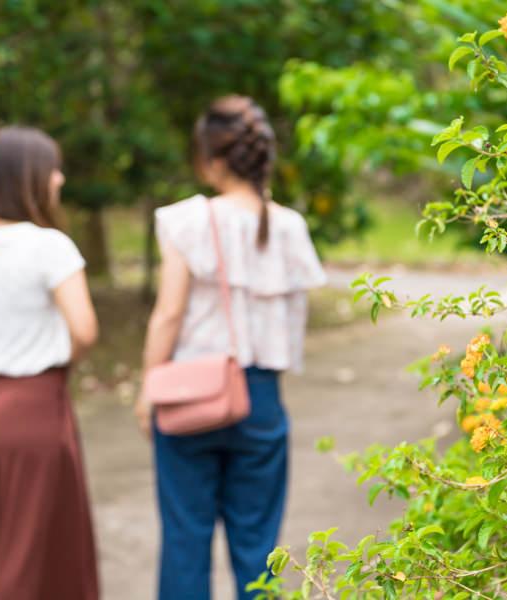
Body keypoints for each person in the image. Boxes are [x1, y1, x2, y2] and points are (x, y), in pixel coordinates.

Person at [135, 96, 327, 599]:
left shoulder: (188, 220)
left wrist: (147, 389)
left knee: (184, 540)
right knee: (258, 550)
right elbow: (293, 325)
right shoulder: (289, 226)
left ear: (213, 160)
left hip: (189, 394)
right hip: (259, 398)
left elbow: (169, 314)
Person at [0, 126, 100, 600]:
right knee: (31, 546)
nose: (60, 180)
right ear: (28, 178)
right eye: (53, 170)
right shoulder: (49, 245)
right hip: (34, 402)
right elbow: (85, 330)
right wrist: (49, 353)